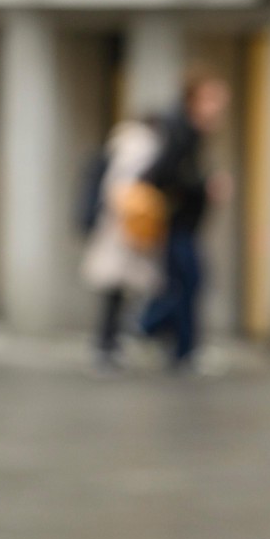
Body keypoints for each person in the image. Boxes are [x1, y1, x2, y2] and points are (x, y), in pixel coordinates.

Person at [138, 71, 231, 371]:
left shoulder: (192, 133)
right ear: (195, 99)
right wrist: (205, 186)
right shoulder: (181, 131)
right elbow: (159, 174)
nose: (218, 108)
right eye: (212, 100)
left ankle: (181, 349)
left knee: (185, 284)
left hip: (185, 224)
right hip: (177, 223)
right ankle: (150, 328)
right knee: (187, 283)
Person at [81, 117, 165, 371]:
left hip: (119, 233)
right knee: (125, 290)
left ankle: (111, 344)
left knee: (118, 292)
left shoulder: (120, 146)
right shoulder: (140, 149)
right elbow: (125, 194)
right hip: (126, 233)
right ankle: (121, 340)